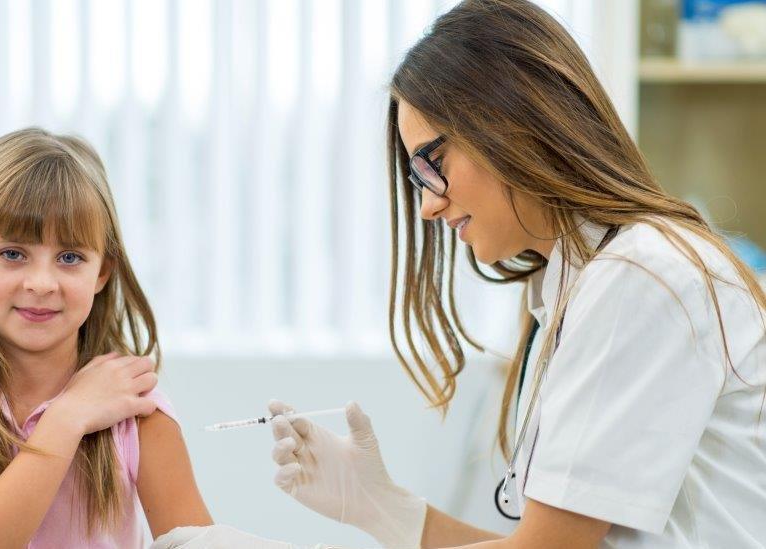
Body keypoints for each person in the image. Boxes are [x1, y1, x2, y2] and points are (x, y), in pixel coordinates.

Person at [153, 0, 766, 547]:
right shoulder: (578, 284)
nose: (427, 204)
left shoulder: (640, 277)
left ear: (515, 121)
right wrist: (383, 510)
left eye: (434, 161)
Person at [0, 128, 213, 547]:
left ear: (101, 272)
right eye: (13, 254)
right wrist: (68, 415)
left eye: (70, 257)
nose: (42, 283)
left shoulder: (134, 407)